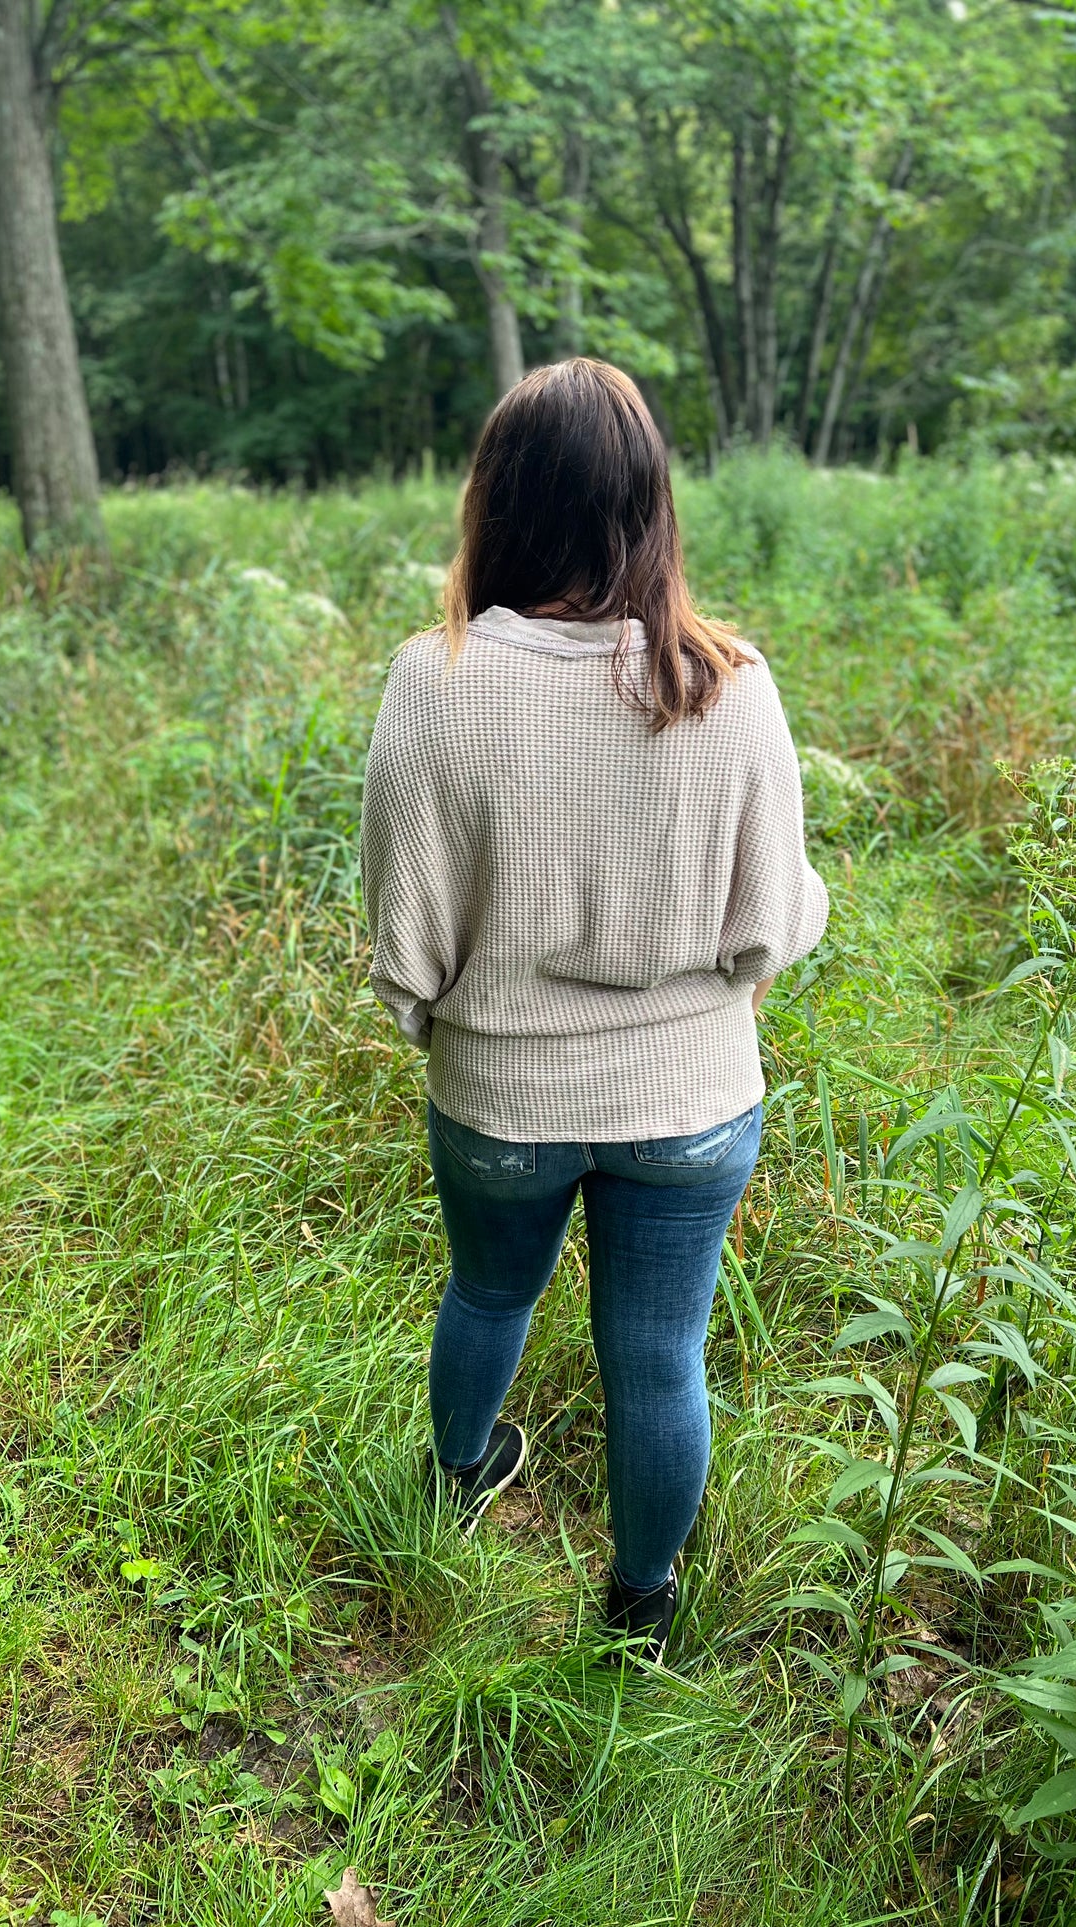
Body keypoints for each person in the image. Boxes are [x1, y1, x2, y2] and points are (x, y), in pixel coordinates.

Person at [360, 358, 828, 1664]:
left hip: (498, 1099)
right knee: (656, 1360)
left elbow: (406, 946)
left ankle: (458, 1480)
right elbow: (771, 928)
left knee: (487, 1292)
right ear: (648, 508)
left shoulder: (435, 680)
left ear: (493, 504)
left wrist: (462, 1032)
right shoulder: (730, 689)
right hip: (690, 1102)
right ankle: (639, 1604)